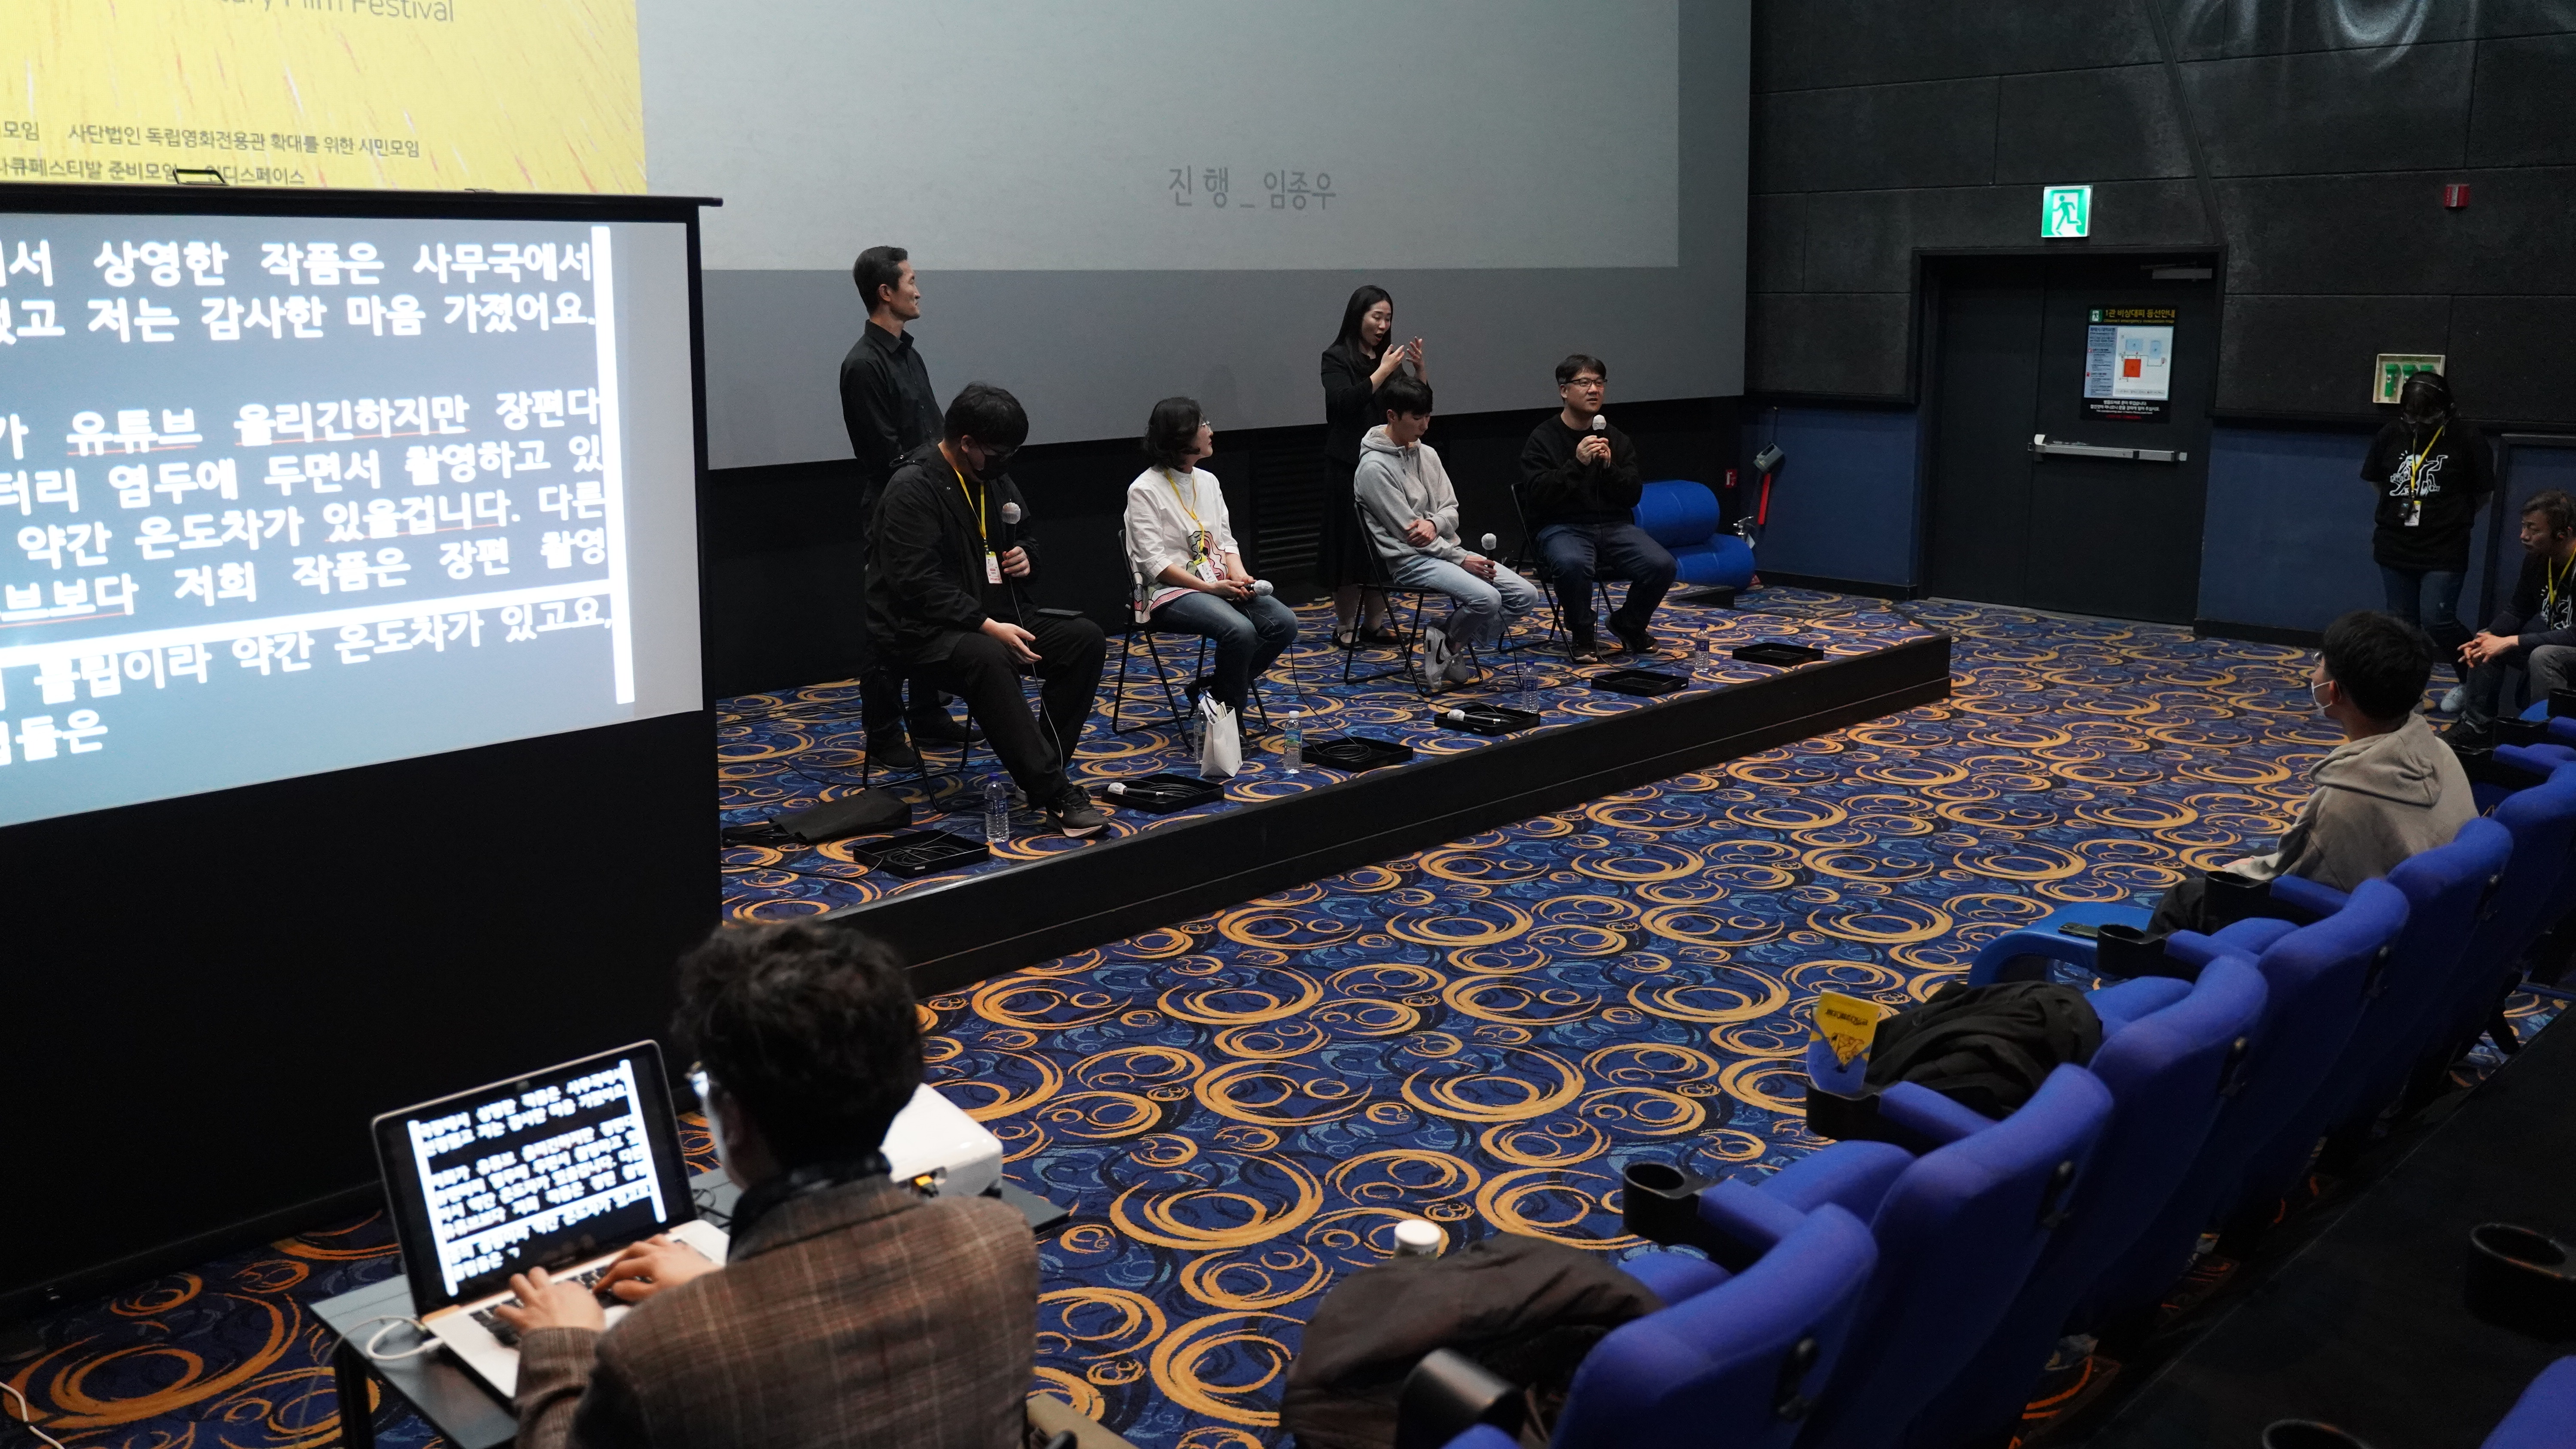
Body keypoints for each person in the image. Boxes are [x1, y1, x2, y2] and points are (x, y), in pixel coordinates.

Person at [497, 921, 1038, 1449]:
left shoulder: (654, 1350)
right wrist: (720, 1293)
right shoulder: (997, 1238)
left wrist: (561, 1347)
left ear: (735, 1120)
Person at [867, 383, 1109, 837]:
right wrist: (987, 625)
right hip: (923, 632)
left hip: (994, 615)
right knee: (989, 656)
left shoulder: (994, 480)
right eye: (999, 453)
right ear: (967, 443)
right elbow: (916, 584)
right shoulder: (913, 487)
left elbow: (1026, 535)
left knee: (1084, 640)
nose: (1005, 462)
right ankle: (1053, 793)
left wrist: (1027, 557)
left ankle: (1042, 768)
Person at [2146, 609, 2473, 935]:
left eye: (2319, 663)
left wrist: (2246, 875)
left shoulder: (2346, 801)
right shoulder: (2440, 752)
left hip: (2353, 931)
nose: (2314, 672)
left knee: (2185, 899)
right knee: (2252, 856)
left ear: (2334, 691)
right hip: (2430, 923)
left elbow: (2298, 880)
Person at [838, 245, 975, 770]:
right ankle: (883, 731)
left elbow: (933, 431)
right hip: (894, 510)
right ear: (886, 292)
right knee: (889, 621)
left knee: (934, 606)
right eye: (911, 281)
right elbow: (883, 453)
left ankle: (927, 712)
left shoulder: (908, 355)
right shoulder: (863, 365)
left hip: (931, 500)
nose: (918, 291)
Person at [1355, 374, 1542, 693]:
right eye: (1417, 418)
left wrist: (1435, 524)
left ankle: (1448, 642)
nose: (1425, 425)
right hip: (1410, 561)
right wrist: (1460, 557)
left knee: (1526, 595)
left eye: (1428, 416)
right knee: (1487, 599)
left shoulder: (1427, 454)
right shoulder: (1373, 468)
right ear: (1392, 416)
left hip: (1446, 551)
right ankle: (1450, 642)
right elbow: (1411, 535)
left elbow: (1452, 510)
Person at [1123, 396, 1300, 718]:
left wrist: (1239, 575)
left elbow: (1226, 541)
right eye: (1203, 425)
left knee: (1284, 623)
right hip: (1165, 592)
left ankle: (1215, 691)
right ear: (1181, 437)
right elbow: (1155, 564)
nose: (1210, 431)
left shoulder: (1208, 481)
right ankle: (1226, 716)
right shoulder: (1144, 490)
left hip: (1215, 583)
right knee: (1240, 631)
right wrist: (1209, 589)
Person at [1516, 354, 1677, 662]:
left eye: (1599, 382)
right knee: (1573, 562)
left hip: (1614, 527)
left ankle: (1629, 624)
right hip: (1561, 526)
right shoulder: (1543, 439)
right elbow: (1538, 496)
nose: (1594, 390)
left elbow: (1633, 495)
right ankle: (1582, 634)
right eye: (1584, 383)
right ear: (1564, 391)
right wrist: (1577, 464)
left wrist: (1609, 468)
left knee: (1662, 565)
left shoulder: (1616, 438)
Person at [2362, 371, 2492, 714]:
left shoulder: (2467, 438)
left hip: (2445, 545)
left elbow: (2483, 493)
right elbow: (2378, 481)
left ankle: (2471, 683)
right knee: (2402, 624)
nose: (2418, 424)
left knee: (2438, 620)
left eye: (2427, 417)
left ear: (2447, 409)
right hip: (2395, 543)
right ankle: (2409, 694)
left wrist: (2450, 517)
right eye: (2411, 417)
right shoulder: (2391, 434)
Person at [1321, 285, 1427, 650]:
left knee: (1385, 548)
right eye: (1376, 317)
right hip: (1349, 466)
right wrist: (1382, 372)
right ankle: (1345, 626)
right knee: (1349, 548)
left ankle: (1375, 625)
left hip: (1387, 466)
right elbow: (1344, 404)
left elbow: (1413, 405)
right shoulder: (1336, 357)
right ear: (1358, 317)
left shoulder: (1390, 360)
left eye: (1388, 319)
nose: (1383, 326)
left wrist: (1419, 371)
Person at [2452, 488, 2576, 741]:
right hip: (2559, 646)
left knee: (2544, 656)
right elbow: (2518, 610)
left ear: (2563, 534)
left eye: (2534, 529)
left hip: (2566, 648)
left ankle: (2548, 739)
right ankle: (2477, 726)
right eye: (2524, 526)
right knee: (2487, 640)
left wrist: (2511, 641)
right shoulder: (2537, 560)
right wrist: (2490, 636)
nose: (2524, 535)